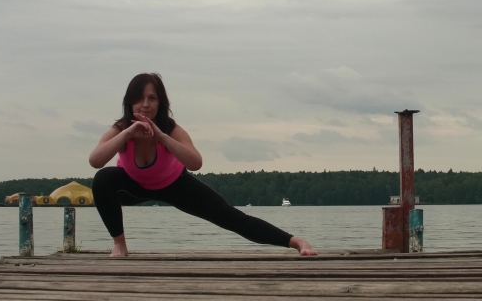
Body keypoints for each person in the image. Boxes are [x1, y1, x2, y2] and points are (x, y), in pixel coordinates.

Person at [89, 73, 317, 257]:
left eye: (152, 98)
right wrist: (129, 131)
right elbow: (95, 161)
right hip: (134, 187)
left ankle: (296, 241)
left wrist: (161, 137)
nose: (145, 104)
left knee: (231, 217)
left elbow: (195, 163)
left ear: (161, 103)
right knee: (103, 179)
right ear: (130, 102)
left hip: (174, 185)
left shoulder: (171, 129)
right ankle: (120, 245)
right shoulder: (120, 130)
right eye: (140, 98)